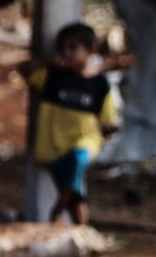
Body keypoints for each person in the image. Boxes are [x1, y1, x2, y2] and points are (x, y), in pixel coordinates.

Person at [24, 22, 118, 226]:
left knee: (77, 162)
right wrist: (45, 61)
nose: (66, 53)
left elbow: (107, 119)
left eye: (73, 48)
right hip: (55, 143)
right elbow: (25, 72)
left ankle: (56, 212)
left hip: (84, 140)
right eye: (62, 48)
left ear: (90, 50)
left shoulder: (100, 83)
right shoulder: (53, 75)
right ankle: (82, 233)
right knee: (73, 193)